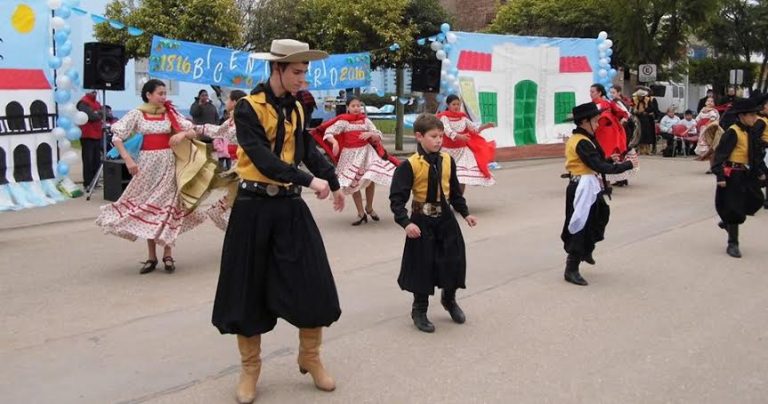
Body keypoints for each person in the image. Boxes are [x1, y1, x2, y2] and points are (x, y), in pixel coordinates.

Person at [211, 39, 345, 402]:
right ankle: (250, 369)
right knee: (247, 291)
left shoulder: (299, 108)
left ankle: (310, 356)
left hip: (288, 207)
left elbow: (306, 148)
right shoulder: (247, 109)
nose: (303, 79)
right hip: (253, 208)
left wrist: (332, 180)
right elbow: (262, 158)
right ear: (277, 69)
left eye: (305, 72)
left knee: (314, 283)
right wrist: (308, 180)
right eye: (297, 72)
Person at [95, 79, 207, 274]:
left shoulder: (170, 113)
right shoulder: (137, 113)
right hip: (147, 166)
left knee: (168, 209)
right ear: (148, 94)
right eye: (160, 93)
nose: (164, 97)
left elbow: (192, 130)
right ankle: (151, 256)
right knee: (149, 208)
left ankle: (168, 253)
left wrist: (181, 135)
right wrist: (128, 160)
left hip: (168, 164)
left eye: (165, 93)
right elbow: (117, 137)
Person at [389, 113, 478, 333]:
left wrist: (465, 213)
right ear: (419, 136)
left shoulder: (448, 160)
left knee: (454, 259)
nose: (439, 140)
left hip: (446, 217)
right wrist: (406, 222)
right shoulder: (409, 165)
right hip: (422, 218)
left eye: (441, 136)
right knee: (423, 264)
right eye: (433, 136)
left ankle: (449, 299)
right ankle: (419, 309)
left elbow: (455, 191)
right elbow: (397, 199)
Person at [561, 103, 635, 286]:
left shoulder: (586, 139)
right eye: (595, 121)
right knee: (580, 225)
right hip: (582, 187)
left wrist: (611, 159)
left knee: (600, 215)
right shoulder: (581, 141)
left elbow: (597, 161)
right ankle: (572, 267)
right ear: (585, 122)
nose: (598, 124)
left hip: (588, 185)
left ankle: (587, 248)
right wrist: (627, 164)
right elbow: (598, 166)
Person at [311, 97, 399, 225]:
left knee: (371, 177)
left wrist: (371, 134)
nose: (357, 108)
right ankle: (360, 213)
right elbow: (329, 132)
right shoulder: (343, 122)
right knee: (354, 183)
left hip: (366, 153)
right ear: (348, 107)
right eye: (353, 106)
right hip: (350, 155)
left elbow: (378, 134)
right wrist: (334, 142)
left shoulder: (365, 121)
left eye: (359, 106)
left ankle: (369, 207)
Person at [711, 97, 767, 258]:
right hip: (733, 174)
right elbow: (720, 156)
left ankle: (728, 221)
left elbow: (755, 155)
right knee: (734, 208)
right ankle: (733, 243)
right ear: (742, 116)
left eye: (756, 115)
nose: (755, 118)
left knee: (756, 200)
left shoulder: (750, 132)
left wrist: (761, 172)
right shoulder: (733, 132)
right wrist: (720, 176)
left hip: (746, 173)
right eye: (751, 115)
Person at [194, 89, 248, 230]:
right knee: (220, 210)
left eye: (228, 99)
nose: (226, 102)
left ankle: (244, 238)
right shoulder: (231, 120)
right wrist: (195, 128)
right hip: (236, 167)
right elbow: (217, 131)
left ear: (235, 102)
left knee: (231, 208)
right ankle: (241, 237)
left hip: (245, 168)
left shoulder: (246, 120)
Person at [437, 95, 496, 192]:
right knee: (446, 177)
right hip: (447, 152)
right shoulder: (444, 117)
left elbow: (474, 129)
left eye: (458, 104)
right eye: (454, 104)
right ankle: (445, 199)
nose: (456, 106)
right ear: (448, 105)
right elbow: (447, 131)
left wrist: (485, 126)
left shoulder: (463, 118)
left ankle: (459, 201)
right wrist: (460, 137)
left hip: (462, 152)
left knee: (461, 177)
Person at [591, 84, 634, 186]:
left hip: (608, 134)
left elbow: (625, 113)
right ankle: (605, 181)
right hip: (599, 134)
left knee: (608, 155)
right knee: (603, 156)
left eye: (593, 92)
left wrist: (621, 121)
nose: (591, 94)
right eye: (590, 91)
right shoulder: (593, 105)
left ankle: (608, 182)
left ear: (599, 93)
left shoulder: (608, 103)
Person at [76, 90, 103, 188]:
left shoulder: (97, 103)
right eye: (92, 92)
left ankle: (95, 182)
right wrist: (98, 114)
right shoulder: (83, 103)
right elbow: (91, 116)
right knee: (88, 160)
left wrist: (98, 113)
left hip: (97, 134)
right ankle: (87, 183)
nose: (94, 93)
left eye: (95, 92)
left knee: (97, 160)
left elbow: (106, 114)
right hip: (87, 135)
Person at [632, 86, 660, 155]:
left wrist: (646, 111)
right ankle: (638, 149)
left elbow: (653, 109)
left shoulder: (649, 100)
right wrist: (635, 111)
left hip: (647, 119)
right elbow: (631, 108)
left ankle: (648, 150)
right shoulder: (634, 100)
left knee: (648, 134)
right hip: (637, 118)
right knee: (638, 134)